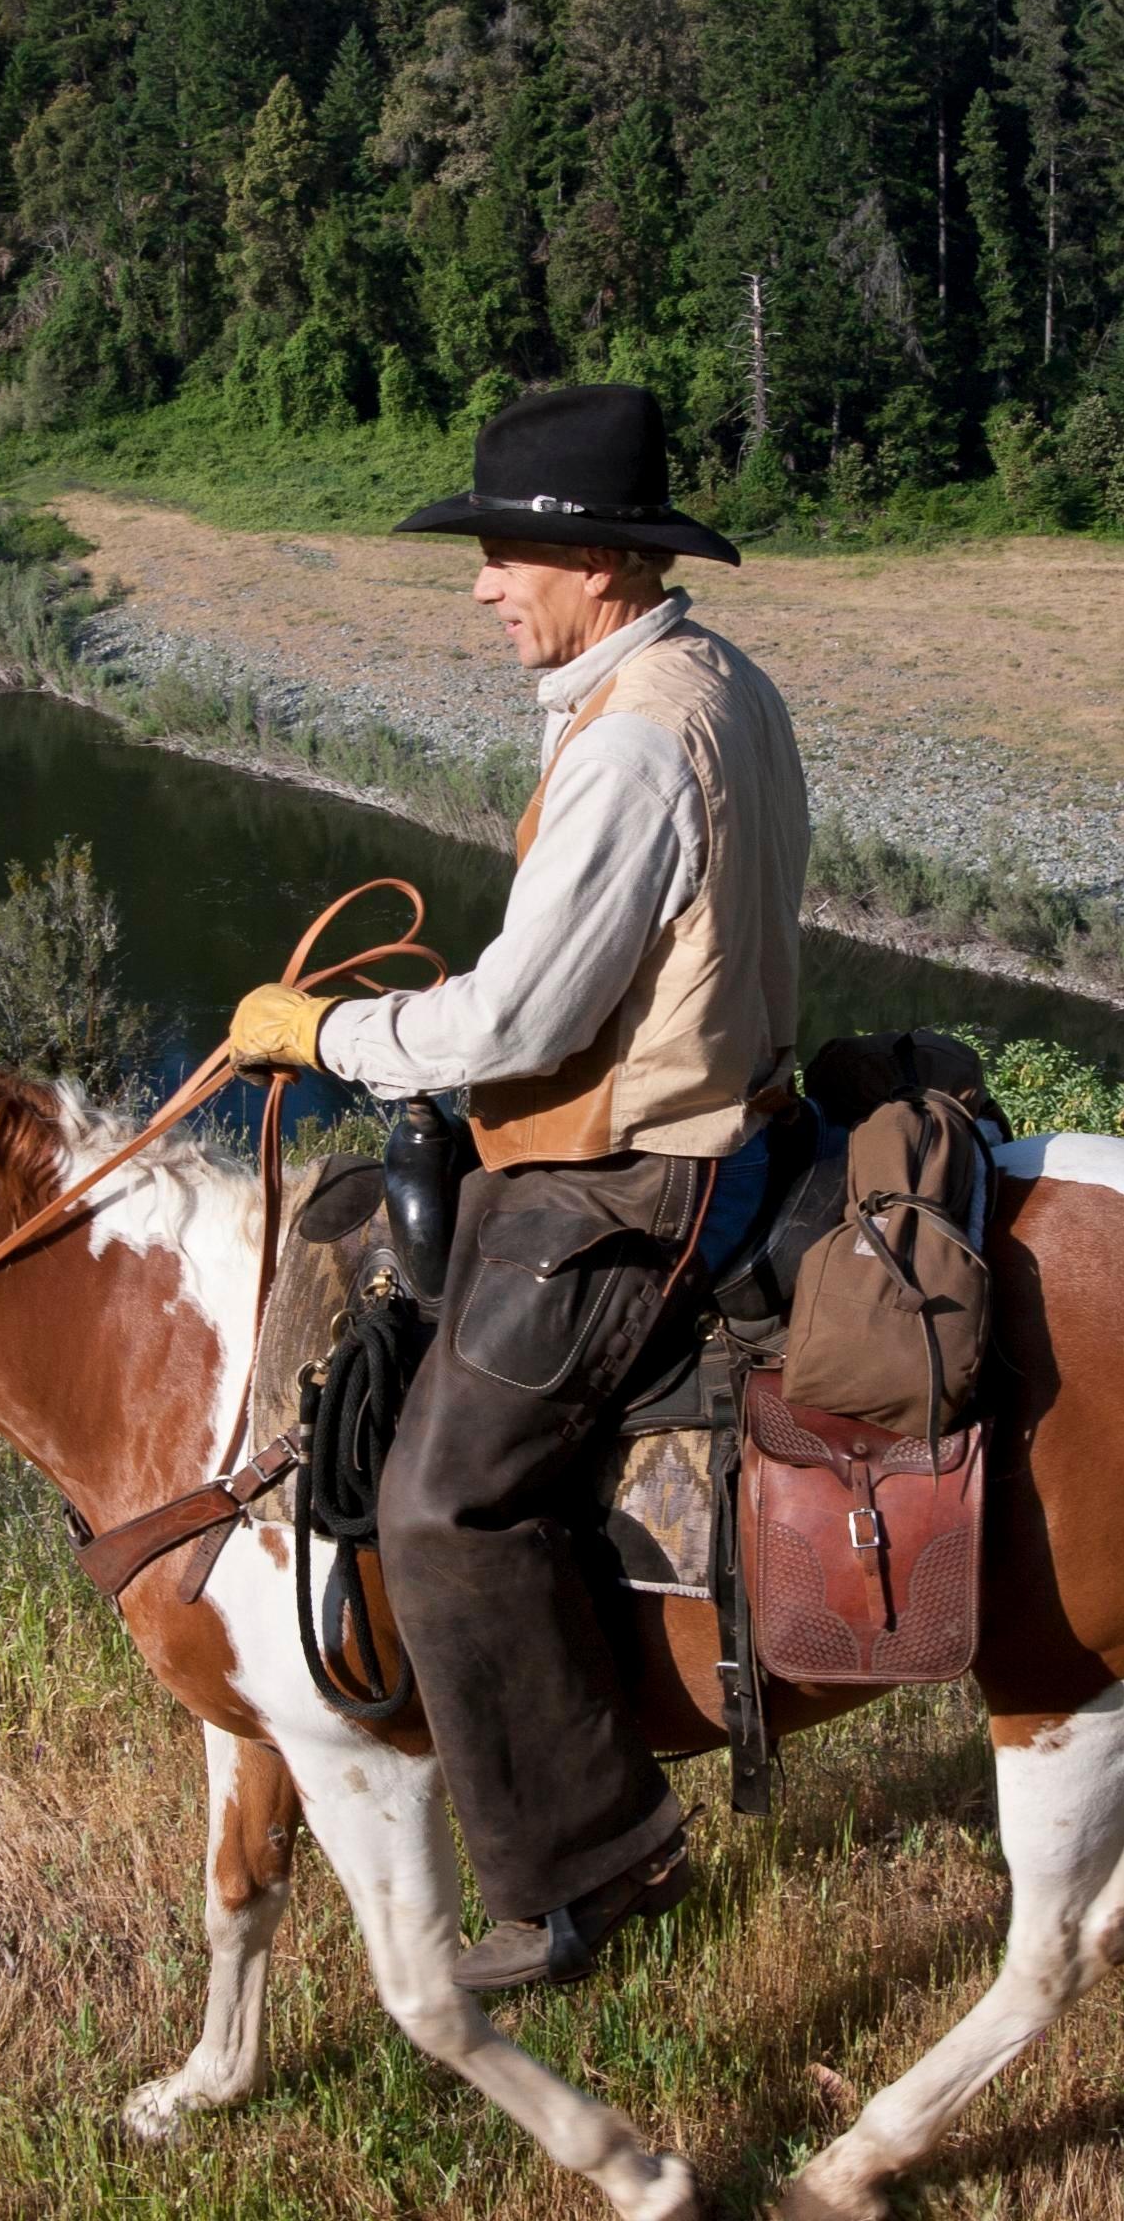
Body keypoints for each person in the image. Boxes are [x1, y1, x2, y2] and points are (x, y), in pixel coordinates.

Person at [224, 383, 808, 1989]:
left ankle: (594, 1863)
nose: (483, 583)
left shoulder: (631, 742)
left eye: (502, 554)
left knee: (441, 1496)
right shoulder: (715, 678)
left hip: (630, 1171)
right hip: (707, 1116)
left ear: (601, 565)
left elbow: (524, 1020)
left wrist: (331, 1032)